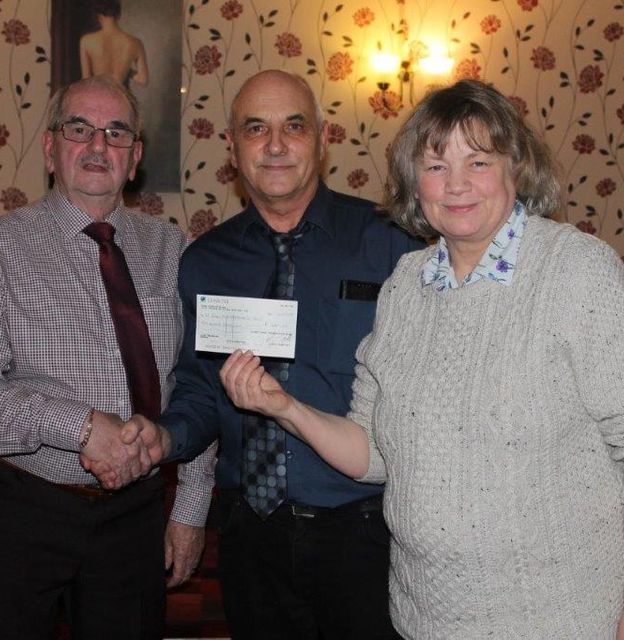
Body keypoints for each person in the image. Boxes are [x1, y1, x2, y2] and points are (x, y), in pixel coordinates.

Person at [220, 79, 624, 639]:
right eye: (436, 166)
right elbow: (372, 453)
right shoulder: (405, 287)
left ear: (515, 167)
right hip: (424, 619)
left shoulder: (575, 271)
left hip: (557, 617)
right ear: (415, 184)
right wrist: (285, 407)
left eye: (479, 161)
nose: (458, 184)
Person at [156, 70, 422, 640]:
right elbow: (202, 392)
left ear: (323, 140)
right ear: (233, 147)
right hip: (252, 534)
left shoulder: (392, 244)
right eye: (256, 128)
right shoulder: (205, 261)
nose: (275, 145)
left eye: (293, 126)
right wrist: (162, 439)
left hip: (369, 533)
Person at [0, 75, 213, 640]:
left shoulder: (175, 251)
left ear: (135, 156)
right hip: (22, 511)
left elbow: (198, 384)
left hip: (137, 517)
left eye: (116, 133)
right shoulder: (3, 248)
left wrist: (189, 511)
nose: (98, 146)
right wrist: (81, 428)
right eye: (79, 129)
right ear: (50, 148)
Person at [80, 0, 149, 88]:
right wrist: (128, 72)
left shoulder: (86, 41)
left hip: (98, 97)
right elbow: (143, 80)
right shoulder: (135, 42)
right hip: (123, 99)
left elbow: (86, 81)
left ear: (99, 16)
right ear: (118, 15)